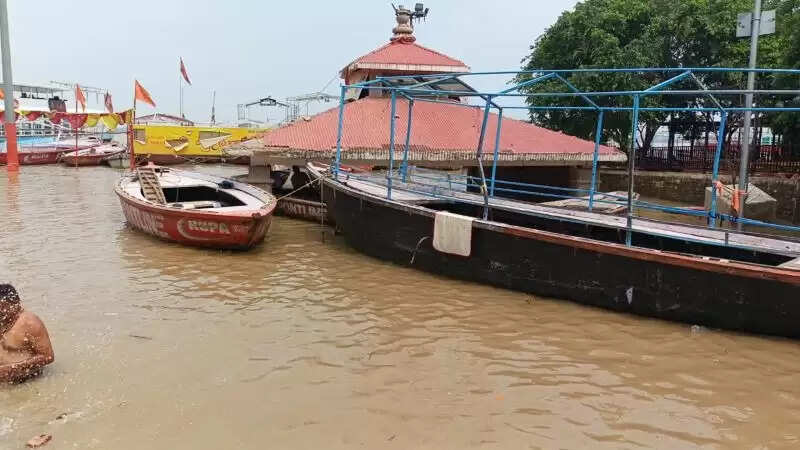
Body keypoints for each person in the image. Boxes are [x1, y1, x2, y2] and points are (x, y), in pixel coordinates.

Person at [0, 284, 54, 383]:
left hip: (26, 381)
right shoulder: (2, 320)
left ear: (15, 304)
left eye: (3, 308)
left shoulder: (30, 322)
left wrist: (12, 368)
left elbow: (48, 356)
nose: (0, 312)